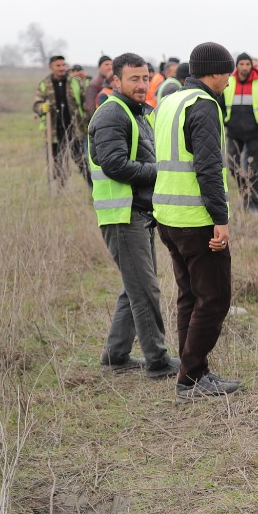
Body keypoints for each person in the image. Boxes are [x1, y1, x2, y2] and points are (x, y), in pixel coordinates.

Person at [153, 42, 242, 399]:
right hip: (196, 219)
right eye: (228, 74)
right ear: (216, 72)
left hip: (168, 217)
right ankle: (190, 379)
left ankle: (196, 370)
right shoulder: (203, 106)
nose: (229, 81)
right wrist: (220, 218)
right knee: (215, 297)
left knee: (190, 295)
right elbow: (208, 167)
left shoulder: (171, 99)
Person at [88, 52, 179, 380]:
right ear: (116, 81)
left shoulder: (135, 111)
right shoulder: (113, 114)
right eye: (134, 79)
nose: (142, 85)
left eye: (145, 78)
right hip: (122, 215)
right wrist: (161, 173)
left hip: (137, 212)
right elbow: (114, 164)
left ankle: (116, 356)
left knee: (135, 286)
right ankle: (157, 360)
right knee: (145, 289)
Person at [33, 54, 90, 185]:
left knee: (82, 162)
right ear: (51, 67)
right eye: (58, 65)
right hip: (53, 133)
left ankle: (92, 188)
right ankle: (58, 190)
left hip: (74, 130)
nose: (61, 68)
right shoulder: (44, 84)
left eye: (63, 65)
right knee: (56, 165)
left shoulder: (74, 82)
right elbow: (36, 104)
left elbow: (85, 100)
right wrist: (42, 107)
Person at [225, 53, 258, 212]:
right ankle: (244, 195)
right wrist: (226, 121)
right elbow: (220, 103)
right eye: (241, 64)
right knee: (232, 166)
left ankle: (254, 203)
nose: (244, 67)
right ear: (236, 66)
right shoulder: (229, 82)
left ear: (251, 66)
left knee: (253, 169)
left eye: (247, 64)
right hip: (233, 132)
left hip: (254, 133)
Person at [83, 55, 115, 122]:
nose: (109, 67)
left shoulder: (114, 83)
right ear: (99, 67)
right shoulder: (93, 85)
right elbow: (90, 108)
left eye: (111, 64)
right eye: (106, 64)